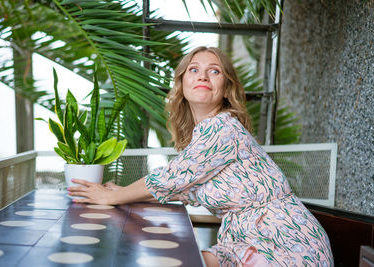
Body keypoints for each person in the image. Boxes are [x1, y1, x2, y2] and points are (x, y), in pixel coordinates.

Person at [68, 46, 334, 267]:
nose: (203, 76)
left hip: (288, 245)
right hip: (244, 242)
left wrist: (114, 196)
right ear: (182, 83)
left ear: (227, 88)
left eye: (214, 71)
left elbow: (174, 176)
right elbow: (179, 187)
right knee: (177, 260)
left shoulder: (223, 126)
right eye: (194, 69)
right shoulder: (202, 139)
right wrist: (123, 192)